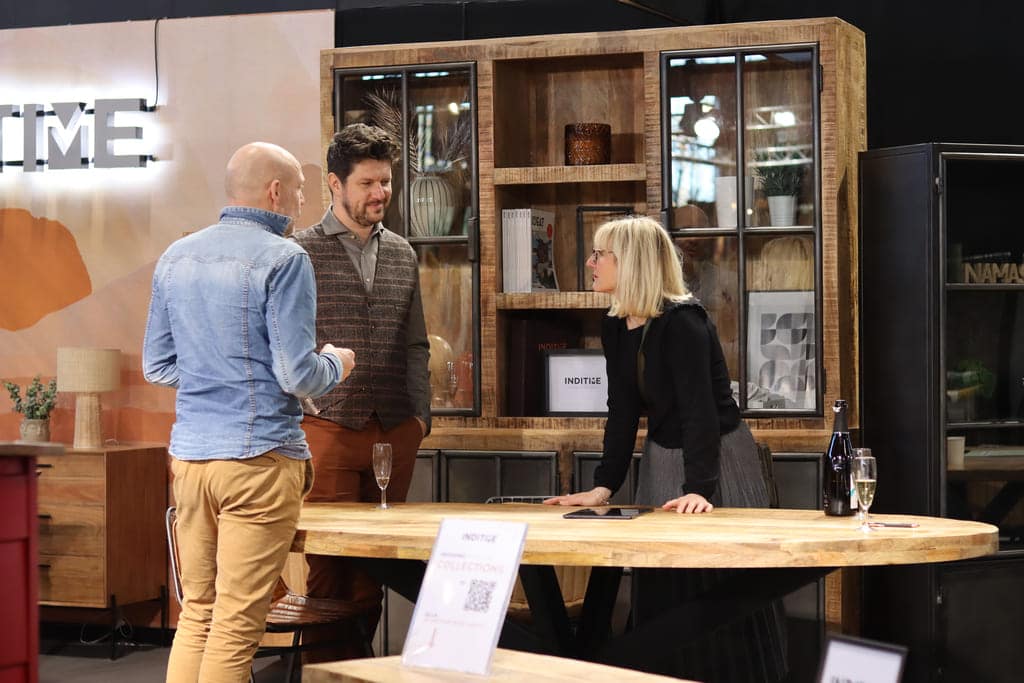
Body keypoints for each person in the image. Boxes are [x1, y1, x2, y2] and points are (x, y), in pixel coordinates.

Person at [142, 141, 356, 683]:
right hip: (258, 460)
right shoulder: (285, 258)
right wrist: (337, 362)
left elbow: (157, 365)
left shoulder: (176, 256)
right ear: (275, 192)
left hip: (191, 462)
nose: (303, 202)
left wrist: (214, 375)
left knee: (198, 614)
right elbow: (296, 375)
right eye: (301, 191)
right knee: (237, 627)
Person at [544, 215, 786, 682]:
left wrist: (700, 489)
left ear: (629, 262)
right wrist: (603, 486)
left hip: (715, 458)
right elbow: (622, 410)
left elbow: (701, 413)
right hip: (663, 455)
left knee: (718, 583)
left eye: (599, 255)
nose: (590, 263)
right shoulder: (616, 324)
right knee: (663, 584)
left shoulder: (683, 323)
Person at [291, 123, 431, 660]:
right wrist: (308, 408)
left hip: (395, 430)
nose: (380, 193)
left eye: (385, 182)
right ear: (335, 183)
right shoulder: (298, 252)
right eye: (367, 183)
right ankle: (324, 670)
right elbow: (288, 342)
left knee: (376, 567)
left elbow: (415, 343)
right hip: (325, 428)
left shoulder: (402, 253)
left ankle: (359, 670)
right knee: (328, 565)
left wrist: (420, 418)